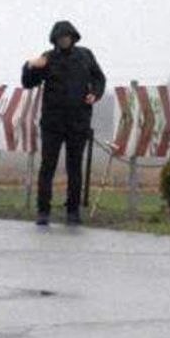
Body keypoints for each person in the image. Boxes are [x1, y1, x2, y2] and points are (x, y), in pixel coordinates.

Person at [22, 20, 105, 226]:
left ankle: (73, 211)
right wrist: (30, 66)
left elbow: (99, 78)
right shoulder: (48, 58)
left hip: (78, 120)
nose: (64, 40)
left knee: (74, 167)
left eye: (67, 37)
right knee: (47, 166)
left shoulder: (85, 55)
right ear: (55, 40)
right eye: (60, 38)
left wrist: (95, 93)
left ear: (73, 37)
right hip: (53, 122)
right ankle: (43, 210)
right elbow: (28, 83)